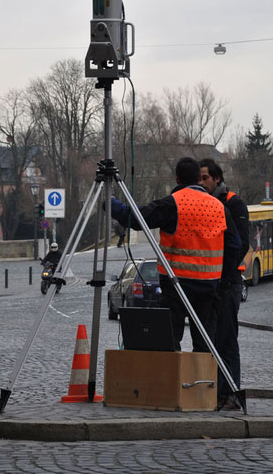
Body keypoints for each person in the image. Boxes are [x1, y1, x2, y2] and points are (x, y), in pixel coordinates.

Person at [111, 157, 241, 353]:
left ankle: (172, 381)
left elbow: (137, 218)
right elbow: (234, 245)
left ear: (177, 179)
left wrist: (112, 205)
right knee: (205, 347)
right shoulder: (218, 207)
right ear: (198, 178)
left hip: (176, 286)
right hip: (208, 287)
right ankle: (202, 382)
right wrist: (222, 280)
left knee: (170, 344)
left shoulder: (173, 204)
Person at [199, 158, 249, 410]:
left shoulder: (233, 203)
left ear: (217, 179)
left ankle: (230, 394)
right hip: (210, 283)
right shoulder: (205, 204)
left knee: (227, 340)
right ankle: (216, 392)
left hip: (227, 283)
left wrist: (221, 274)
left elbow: (241, 245)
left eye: (205, 178)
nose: (201, 182)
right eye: (199, 178)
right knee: (213, 340)